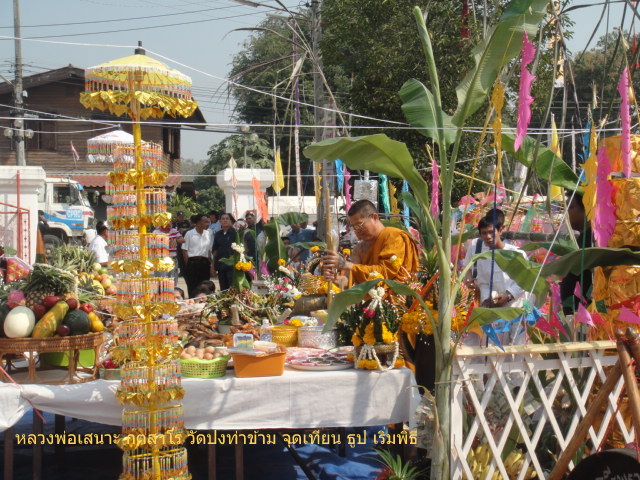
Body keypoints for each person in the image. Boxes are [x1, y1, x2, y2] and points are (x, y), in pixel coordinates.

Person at [321, 200, 419, 286]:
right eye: (354, 227)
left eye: (360, 225)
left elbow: (387, 273)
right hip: (369, 304)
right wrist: (334, 278)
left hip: (398, 302)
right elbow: (348, 281)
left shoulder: (393, 236)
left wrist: (346, 264)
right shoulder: (359, 249)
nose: (357, 230)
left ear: (375, 217)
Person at [463, 210, 526, 309]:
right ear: (480, 235)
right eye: (484, 233)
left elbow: (525, 281)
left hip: (515, 308)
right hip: (492, 308)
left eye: (491, 232)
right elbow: (483, 283)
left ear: (500, 231)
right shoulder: (481, 256)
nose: (488, 236)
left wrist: (509, 296)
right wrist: (487, 298)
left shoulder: (517, 253)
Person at [560, 192, 592, 314]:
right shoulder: (580, 239)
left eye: (571, 207)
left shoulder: (593, 242)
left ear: (587, 210)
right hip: (576, 316)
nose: (567, 212)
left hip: (587, 315)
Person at [182, 214, 213, 298]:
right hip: (193, 262)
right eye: (205, 222)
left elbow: (209, 250)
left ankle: (204, 302)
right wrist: (188, 264)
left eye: (208, 222)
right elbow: (185, 250)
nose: (207, 224)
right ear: (198, 223)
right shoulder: (189, 234)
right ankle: (192, 302)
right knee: (192, 285)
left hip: (205, 262)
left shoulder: (208, 233)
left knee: (205, 285)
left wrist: (211, 264)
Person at [212, 213, 237, 291]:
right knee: (223, 288)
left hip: (232, 266)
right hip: (220, 265)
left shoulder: (235, 233)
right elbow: (215, 250)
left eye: (227, 219)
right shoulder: (217, 234)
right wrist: (212, 265)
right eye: (223, 219)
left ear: (230, 221)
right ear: (220, 221)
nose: (225, 220)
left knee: (232, 288)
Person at [153, 221, 181, 287]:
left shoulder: (174, 231)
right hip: (161, 260)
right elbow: (152, 244)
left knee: (173, 280)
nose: (169, 224)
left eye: (170, 222)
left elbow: (182, 240)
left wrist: (176, 240)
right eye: (167, 222)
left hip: (172, 258)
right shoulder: (156, 232)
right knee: (162, 281)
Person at [174, 211, 191, 278]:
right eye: (180, 217)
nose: (181, 218)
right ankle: (181, 271)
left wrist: (184, 229)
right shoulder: (175, 223)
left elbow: (191, 229)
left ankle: (187, 271)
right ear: (177, 217)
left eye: (182, 217)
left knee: (186, 256)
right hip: (178, 242)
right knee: (179, 257)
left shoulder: (187, 223)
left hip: (185, 241)